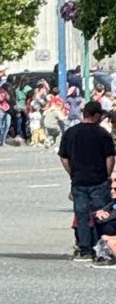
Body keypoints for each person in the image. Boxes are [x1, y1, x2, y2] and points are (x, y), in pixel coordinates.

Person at [58, 101, 115, 261]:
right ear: (96, 115)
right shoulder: (102, 134)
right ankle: (101, 249)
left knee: (82, 216)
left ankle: (85, 250)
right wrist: (107, 175)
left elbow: (63, 158)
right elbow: (110, 157)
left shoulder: (70, 133)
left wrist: (72, 173)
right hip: (99, 181)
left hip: (79, 181)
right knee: (102, 215)